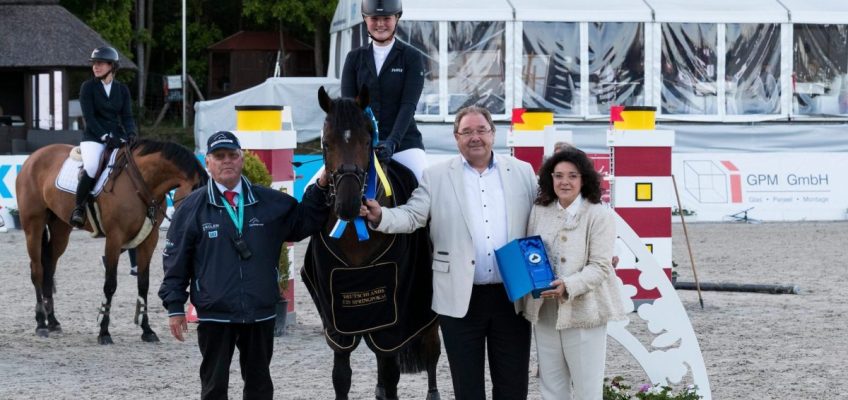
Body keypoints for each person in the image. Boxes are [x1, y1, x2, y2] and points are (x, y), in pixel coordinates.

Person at [362, 106, 538, 399]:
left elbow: (546, 218)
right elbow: (412, 216)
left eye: (481, 130)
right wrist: (381, 216)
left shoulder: (522, 172)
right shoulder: (436, 176)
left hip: (512, 297)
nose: (475, 137)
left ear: (494, 134)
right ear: (456, 137)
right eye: (466, 131)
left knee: (513, 386)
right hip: (459, 298)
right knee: (467, 388)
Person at [158, 131, 330, 400]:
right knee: (214, 387)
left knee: (260, 386)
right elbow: (175, 260)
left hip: (259, 311)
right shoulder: (192, 208)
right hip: (215, 313)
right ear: (208, 162)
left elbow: (305, 220)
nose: (226, 161)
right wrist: (174, 307)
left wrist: (320, 186)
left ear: (241, 159)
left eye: (232, 155)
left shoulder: (269, 202)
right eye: (219, 156)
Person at [521, 147, 626, 400]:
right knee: (551, 387)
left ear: (584, 179)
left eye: (572, 176)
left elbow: (601, 266)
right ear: (550, 178)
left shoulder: (599, 215)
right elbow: (529, 251)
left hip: (584, 311)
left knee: (587, 389)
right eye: (558, 176)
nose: (564, 182)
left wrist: (568, 285)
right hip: (544, 310)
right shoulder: (539, 210)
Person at [341, 0, 427, 181]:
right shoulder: (354, 58)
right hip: (360, 145)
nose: (380, 24)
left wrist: (392, 142)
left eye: (386, 18)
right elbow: (349, 109)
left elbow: (408, 105)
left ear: (396, 18)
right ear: (365, 19)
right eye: (374, 18)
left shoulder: (411, 57)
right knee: (317, 187)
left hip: (404, 144)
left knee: (426, 188)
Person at [71, 46, 136, 228]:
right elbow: (89, 118)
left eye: (100, 63)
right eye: (94, 64)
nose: (95, 67)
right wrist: (105, 136)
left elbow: (127, 117)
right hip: (93, 137)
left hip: (117, 136)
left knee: (134, 163)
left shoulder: (122, 90)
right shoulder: (88, 87)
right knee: (92, 166)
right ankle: (79, 208)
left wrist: (131, 133)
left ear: (111, 66)